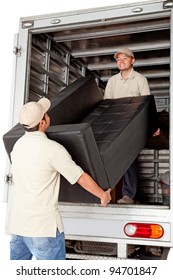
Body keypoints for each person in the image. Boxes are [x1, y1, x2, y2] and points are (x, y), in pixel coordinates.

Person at [7, 97, 111, 260]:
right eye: (46, 114)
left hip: (18, 228)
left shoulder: (17, 147)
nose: (49, 116)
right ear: (42, 123)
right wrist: (103, 195)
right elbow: (80, 177)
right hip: (43, 229)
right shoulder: (52, 150)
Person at [104, 47, 160, 204]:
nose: (121, 62)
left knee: (129, 160)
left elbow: (147, 104)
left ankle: (128, 195)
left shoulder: (140, 79)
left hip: (133, 126)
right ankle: (105, 193)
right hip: (115, 125)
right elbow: (106, 105)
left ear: (132, 60)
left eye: (124, 58)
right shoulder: (112, 81)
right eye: (118, 60)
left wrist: (153, 125)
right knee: (110, 159)